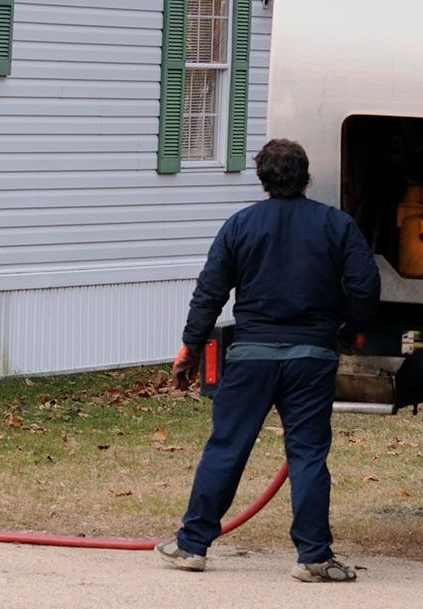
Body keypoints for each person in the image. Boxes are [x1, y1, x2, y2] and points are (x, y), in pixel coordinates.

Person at [158, 138, 381, 582]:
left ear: (262, 178)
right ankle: (314, 557)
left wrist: (190, 349)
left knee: (227, 447)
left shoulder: (240, 225)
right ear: (306, 177)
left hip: (251, 357)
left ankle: (191, 546)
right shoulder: (336, 226)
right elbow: (365, 284)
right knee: (308, 455)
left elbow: (209, 295)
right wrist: (352, 331)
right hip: (313, 357)